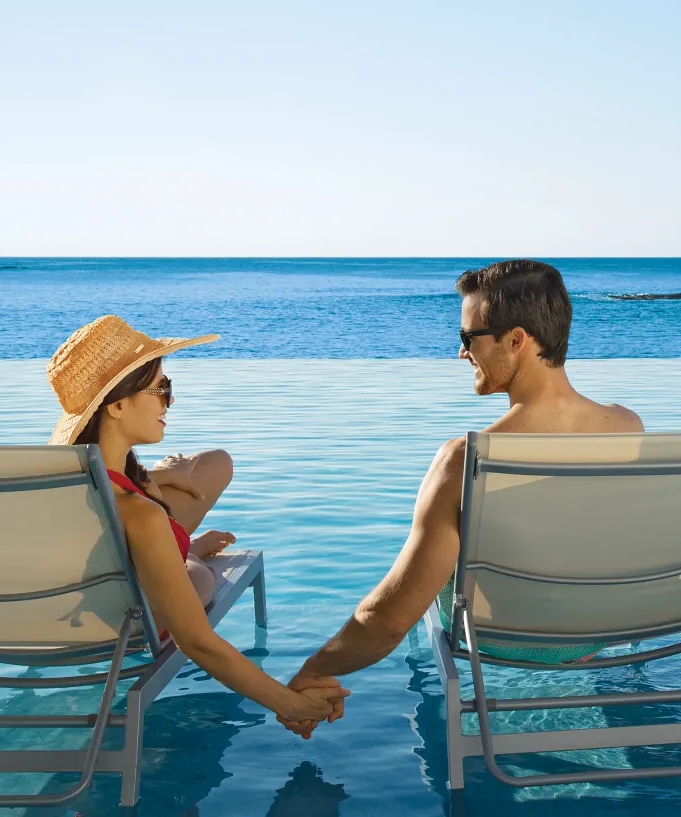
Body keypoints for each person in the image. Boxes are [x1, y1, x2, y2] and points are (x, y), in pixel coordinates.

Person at [282, 259, 640, 733]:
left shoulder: (465, 459)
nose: (461, 353)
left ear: (516, 340)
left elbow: (389, 620)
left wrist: (314, 670)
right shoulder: (627, 426)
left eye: (468, 338)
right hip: (595, 633)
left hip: (505, 640)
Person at [48, 314, 346, 730]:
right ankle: (187, 554)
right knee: (201, 577)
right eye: (161, 389)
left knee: (203, 484)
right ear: (116, 405)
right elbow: (198, 643)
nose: (169, 401)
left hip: (68, 613)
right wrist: (291, 705)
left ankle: (185, 546)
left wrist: (156, 480)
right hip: (128, 624)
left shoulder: (58, 488)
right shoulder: (140, 513)